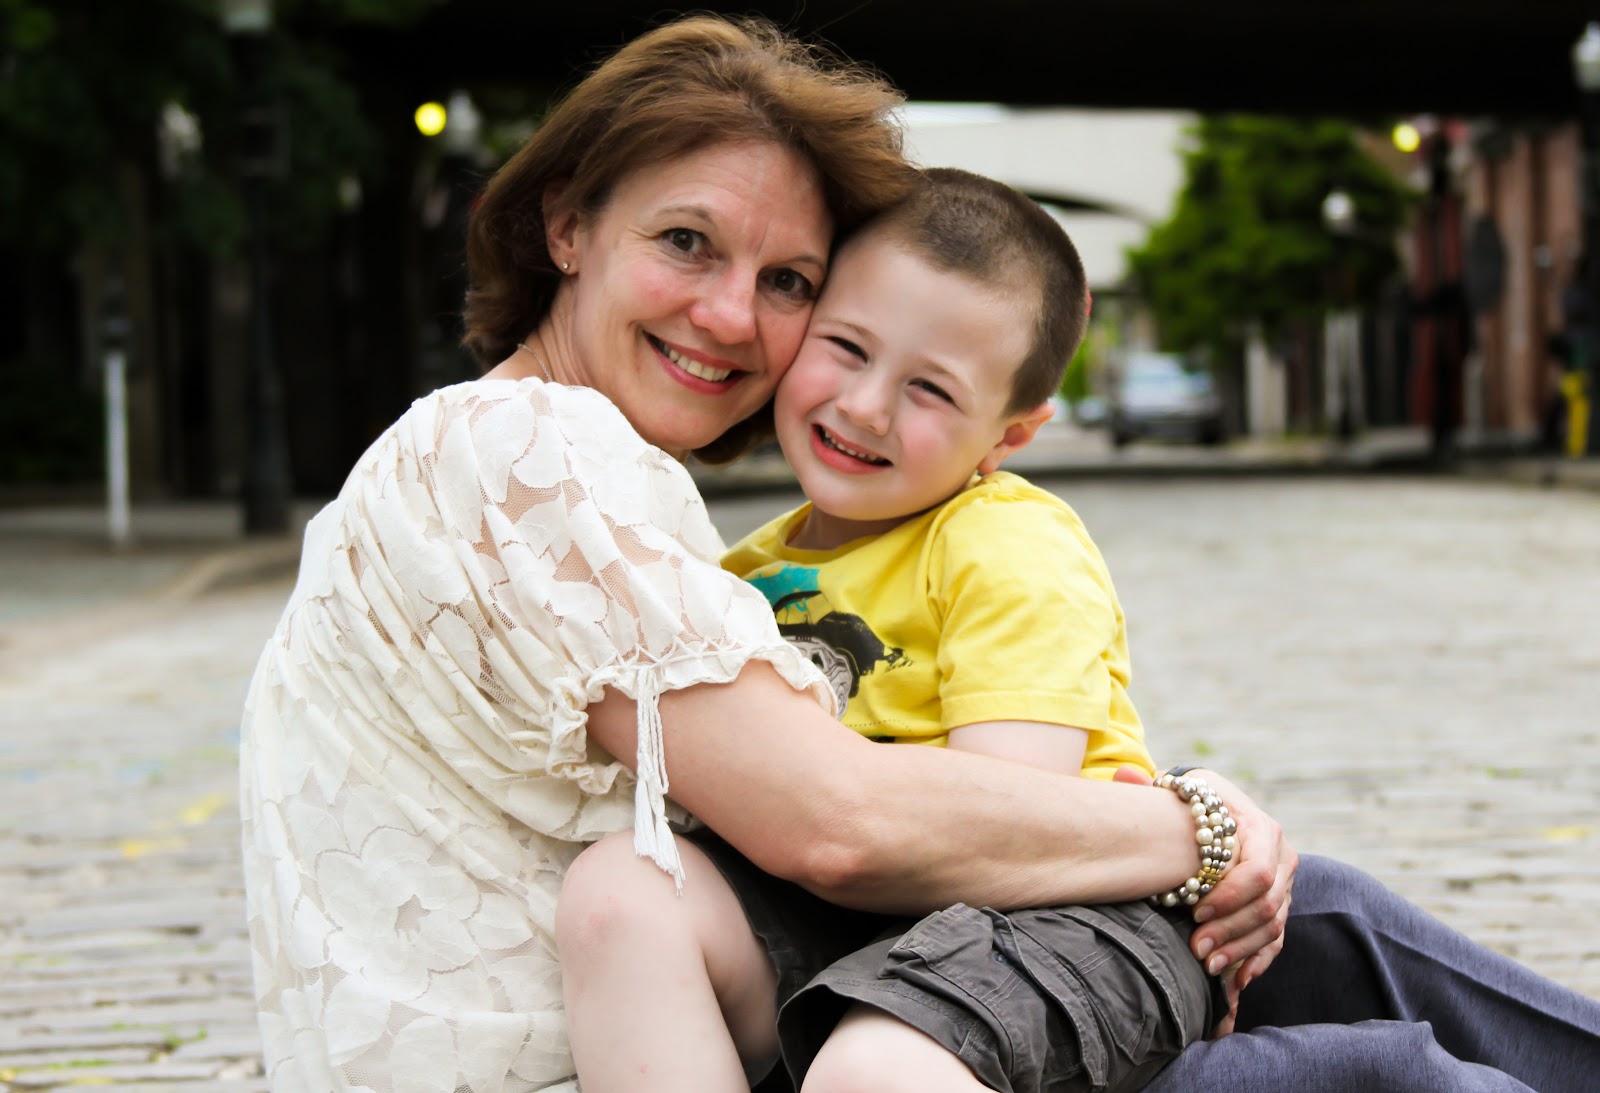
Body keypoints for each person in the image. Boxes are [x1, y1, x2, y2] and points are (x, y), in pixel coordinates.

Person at [237, 13, 1599, 1093]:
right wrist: (1199, 825)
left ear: (1009, 429)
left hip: (810, 994)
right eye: (685, 242)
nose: (734, 317)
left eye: (787, 280)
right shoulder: (526, 453)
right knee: (1324, 1006)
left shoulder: (509, 464)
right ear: (566, 225)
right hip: (759, 1023)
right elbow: (836, 824)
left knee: (1313, 920)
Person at [557, 168, 1229, 1093]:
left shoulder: (1001, 538)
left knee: (874, 1065)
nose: (867, 406)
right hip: (850, 920)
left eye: (932, 390)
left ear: (1009, 436)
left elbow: (1005, 826)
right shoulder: (739, 574)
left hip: (1056, 916)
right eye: (846, 347)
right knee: (618, 890)